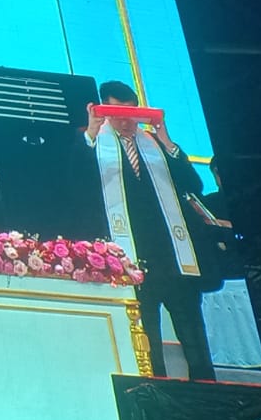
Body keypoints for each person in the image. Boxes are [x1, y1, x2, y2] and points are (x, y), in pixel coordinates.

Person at [79, 83, 214, 380]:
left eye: (131, 112)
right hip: (132, 262)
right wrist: (90, 133)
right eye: (117, 113)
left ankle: (208, 396)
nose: (125, 121)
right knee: (146, 346)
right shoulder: (94, 144)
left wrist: (166, 141)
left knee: (195, 340)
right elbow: (76, 184)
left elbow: (194, 185)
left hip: (173, 261)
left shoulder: (154, 144)